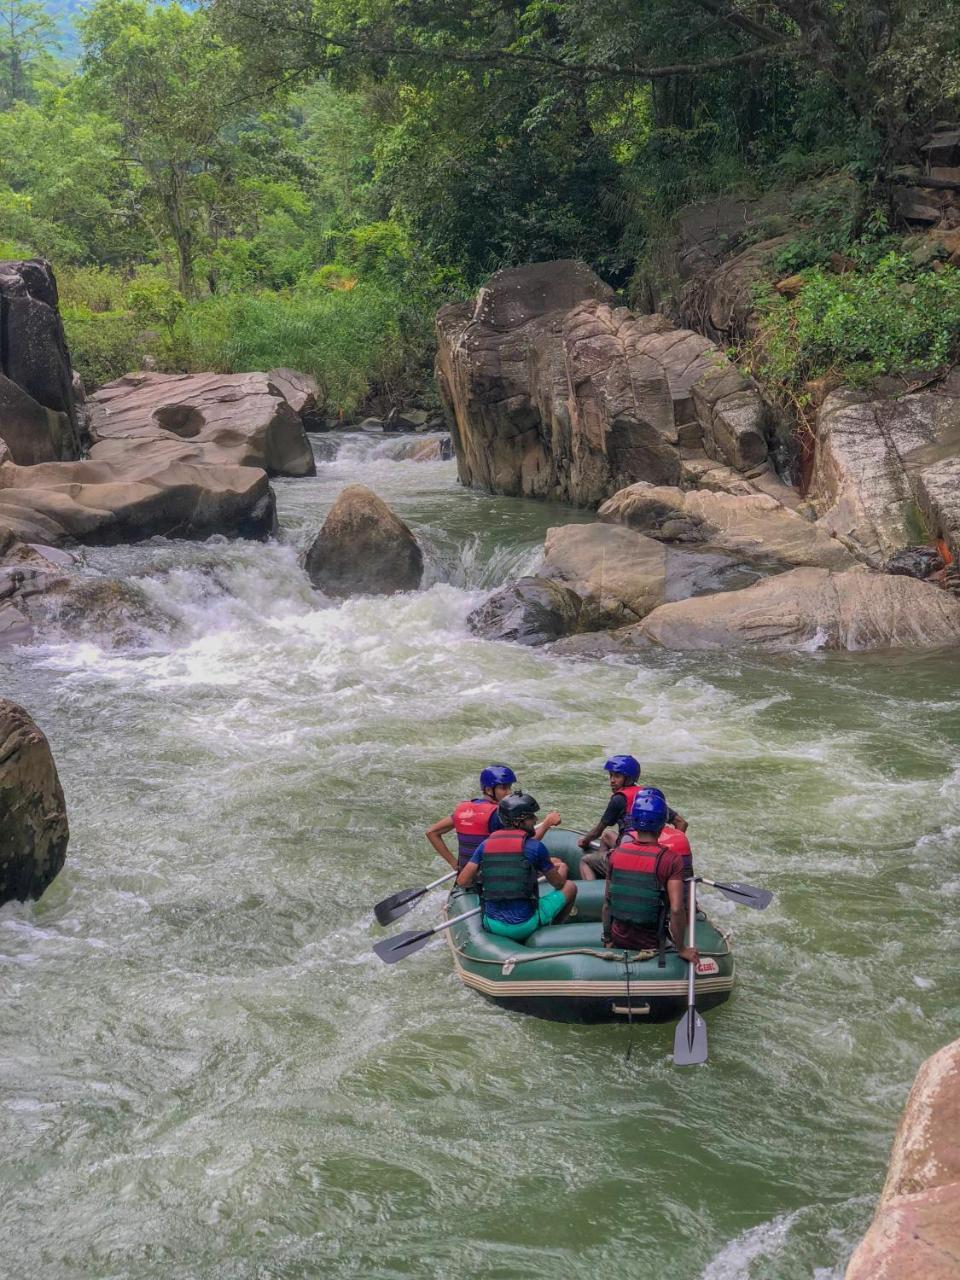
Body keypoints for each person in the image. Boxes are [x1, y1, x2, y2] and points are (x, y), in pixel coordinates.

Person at [456, 792, 576, 941]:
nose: (535, 819)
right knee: (570, 886)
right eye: (531, 817)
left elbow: (462, 881)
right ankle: (553, 929)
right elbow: (558, 883)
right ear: (518, 821)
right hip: (524, 925)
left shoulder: (485, 845)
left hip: (492, 924)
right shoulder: (536, 847)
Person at [602, 788, 699, 964]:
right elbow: (677, 910)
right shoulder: (671, 860)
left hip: (618, 938)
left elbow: (608, 902)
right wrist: (682, 949)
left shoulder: (616, 853)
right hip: (652, 942)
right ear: (663, 825)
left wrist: (608, 938)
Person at [425, 765, 562, 872]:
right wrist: (547, 823)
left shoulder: (462, 810)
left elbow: (432, 832)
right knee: (558, 864)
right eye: (503, 788)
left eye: (510, 787)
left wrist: (454, 864)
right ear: (489, 790)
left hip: (468, 872)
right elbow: (524, 846)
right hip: (494, 874)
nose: (509, 793)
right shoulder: (498, 815)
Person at [578, 755, 687, 880]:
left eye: (617, 776)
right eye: (611, 775)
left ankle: (602, 884)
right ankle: (607, 871)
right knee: (607, 835)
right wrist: (669, 849)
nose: (612, 780)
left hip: (631, 853)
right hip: (649, 850)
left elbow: (597, 830)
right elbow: (681, 823)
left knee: (585, 860)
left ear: (628, 778)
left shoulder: (619, 800)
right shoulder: (649, 798)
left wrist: (584, 841)